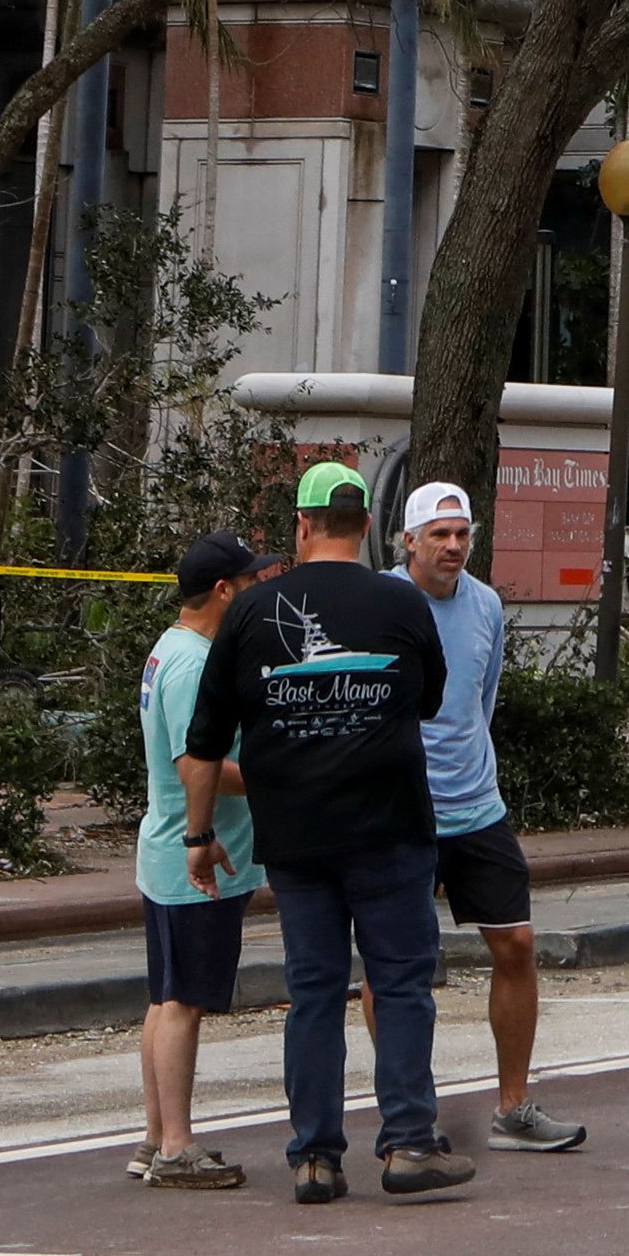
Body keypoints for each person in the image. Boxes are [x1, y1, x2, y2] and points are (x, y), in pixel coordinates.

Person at [182, 465, 466, 1206]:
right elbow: (430, 698)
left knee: (312, 992)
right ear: (367, 525)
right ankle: (407, 1142)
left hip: (295, 835)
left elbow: (206, 739)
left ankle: (313, 1156)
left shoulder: (250, 612)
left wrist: (199, 833)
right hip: (391, 827)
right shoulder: (400, 602)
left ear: (302, 526)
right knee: (400, 985)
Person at [393, 478, 581, 1152]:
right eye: (439, 534)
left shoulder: (487, 605)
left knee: (518, 944)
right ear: (409, 539)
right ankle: (409, 1109)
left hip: (477, 806)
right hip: (402, 810)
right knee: (397, 963)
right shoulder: (384, 601)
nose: (452, 546)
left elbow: (482, 696)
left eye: (462, 533)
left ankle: (514, 1105)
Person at [125, 531, 268, 1189]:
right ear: (223, 590)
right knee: (183, 1000)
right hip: (195, 854)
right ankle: (177, 1143)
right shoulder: (191, 663)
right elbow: (194, 763)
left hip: (169, 850)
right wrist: (276, 776)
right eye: (249, 582)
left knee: (165, 996)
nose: (257, 590)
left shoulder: (172, 649)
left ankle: (156, 1137)